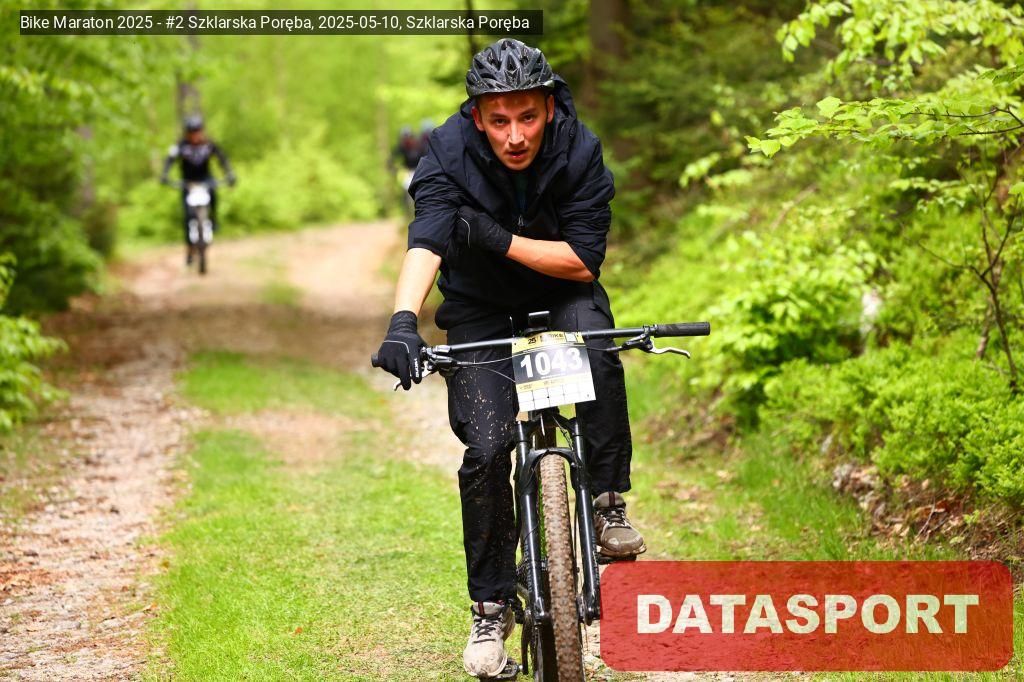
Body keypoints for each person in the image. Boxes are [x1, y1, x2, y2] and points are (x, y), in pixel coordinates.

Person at [373, 39, 643, 678]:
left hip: (563, 291)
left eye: (527, 117)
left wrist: (499, 238)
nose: (515, 136)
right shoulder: (446, 152)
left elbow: (583, 261)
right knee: (489, 448)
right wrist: (404, 320)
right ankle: (490, 609)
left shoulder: (579, 149)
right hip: (479, 307)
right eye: (499, 120)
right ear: (477, 117)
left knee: (597, 350)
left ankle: (607, 501)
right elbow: (427, 239)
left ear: (549, 108)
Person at [160, 115, 236, 265]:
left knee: (214, 196)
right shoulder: (180, 146)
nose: (195, 135)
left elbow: (222, 158)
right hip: (188, 183)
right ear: (187, 133)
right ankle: (189, 249)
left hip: (205, 180)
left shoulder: (209, 145)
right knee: (187, 216)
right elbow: (169, 160)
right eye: (192, 132)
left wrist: (229, 173)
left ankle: (213, 219)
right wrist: (164, 174)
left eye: (197, 131)